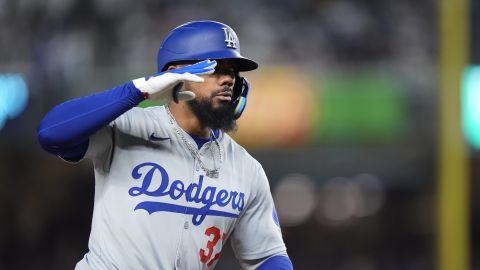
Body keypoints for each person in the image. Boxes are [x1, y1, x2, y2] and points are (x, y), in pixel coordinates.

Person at [37, 20, 292, 270]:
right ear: (176, 74)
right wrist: (136, 91)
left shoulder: (247, 169)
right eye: (214, 68)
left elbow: (267, 256)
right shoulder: (126, 127)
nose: (228, 79)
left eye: (232, 71)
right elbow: (51, 134)